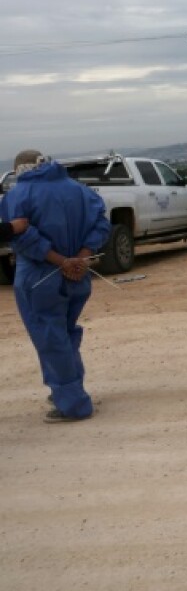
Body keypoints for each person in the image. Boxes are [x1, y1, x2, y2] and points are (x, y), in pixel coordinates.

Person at [0, 150, 110, 423]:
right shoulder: (80, 190)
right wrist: (82, 257)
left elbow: (22, 236)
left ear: (18, 169)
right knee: (66, 332)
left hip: (39, 277)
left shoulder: (18, 195)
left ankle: (72, 404)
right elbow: (101, 224)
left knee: (50, 337)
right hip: (78, 275)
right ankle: (68, 389)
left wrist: (60, 261)